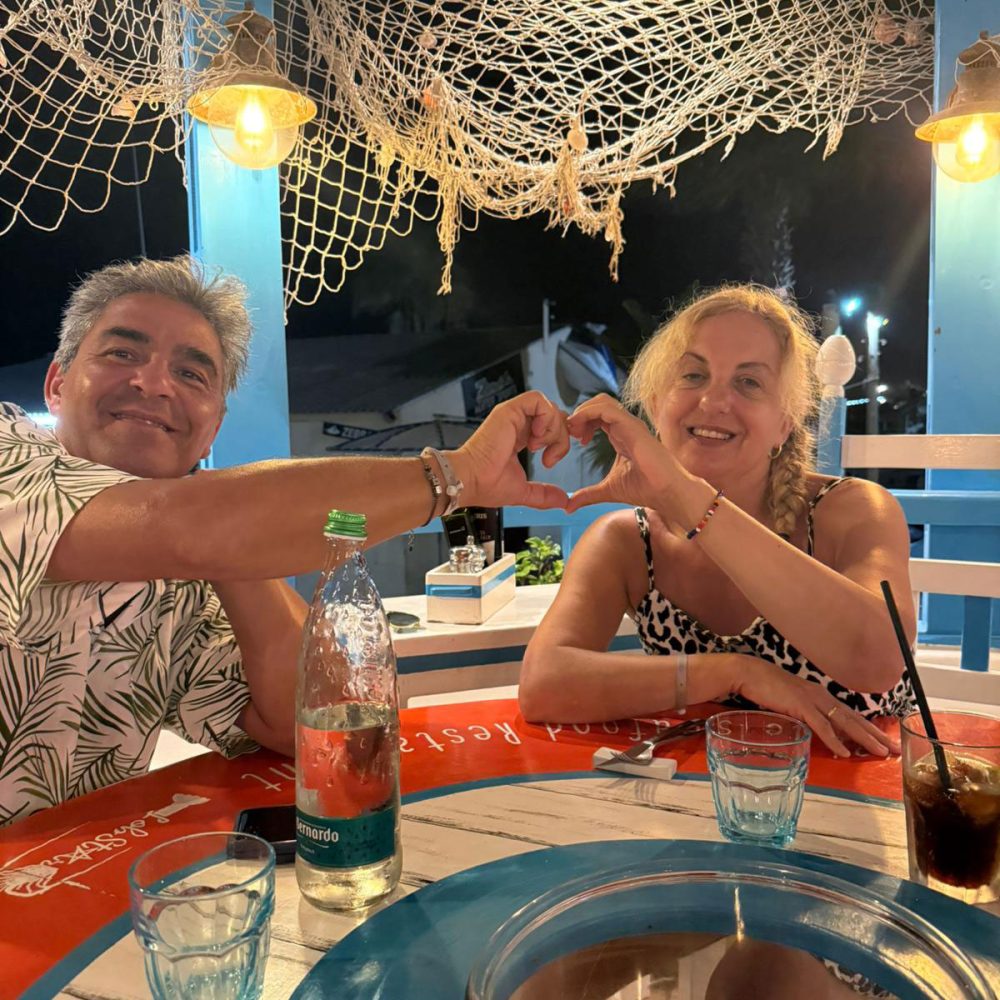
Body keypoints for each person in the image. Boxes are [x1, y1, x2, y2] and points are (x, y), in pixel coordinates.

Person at [0, 255, 570, 826]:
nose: (152, 384)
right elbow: (186, 526)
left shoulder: (186, 582)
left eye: (192, 374)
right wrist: (456, 474)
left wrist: (227, 541)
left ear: (212, 430)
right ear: (57, 385)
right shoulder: (9, 458)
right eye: (122, 354)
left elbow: (330, 727)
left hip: (63, 869)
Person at [519, 284, 915, 757]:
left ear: (784, 423)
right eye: (692, 374)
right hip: (696, 793)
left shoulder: (851, 510)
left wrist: (689, 499)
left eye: (749, 382)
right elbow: (543, 686)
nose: (712, 401)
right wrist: (736, 673)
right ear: (656, 404)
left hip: (863, 785)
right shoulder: (628, 541)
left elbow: (880, 660)